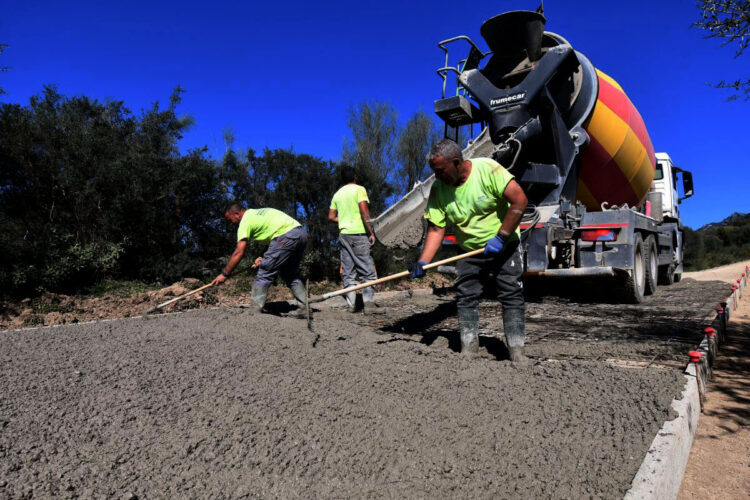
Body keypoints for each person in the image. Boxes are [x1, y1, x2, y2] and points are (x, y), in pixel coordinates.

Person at [408, 139, 529, 361]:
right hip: (469, 251)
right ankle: (469, 349)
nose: (437, 176)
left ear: (456, 162)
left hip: (505, 245)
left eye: (440, 170)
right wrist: (423, 261)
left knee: (511, 294)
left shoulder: (488, 170)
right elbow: (436, 229)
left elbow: (519, 201)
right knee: (465, 296)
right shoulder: (439, 189)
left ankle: (517, 351)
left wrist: (501, 237)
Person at [213, 203, 308, 316]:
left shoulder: (245, 221)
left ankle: (254, 311)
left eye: (230, 219)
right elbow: (273, 234)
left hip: (285, 236)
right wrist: (263, 256)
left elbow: (239, 252)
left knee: (264, 272)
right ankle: (304, 308)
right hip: (301, 234)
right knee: (289, 273)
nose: (231, 223)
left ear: (237, 214)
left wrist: (225, 274)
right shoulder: (257, 213)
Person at [328, 166, 383, 314]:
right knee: (367, 270)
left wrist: (344, 220)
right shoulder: (359, 189)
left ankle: (351, 305)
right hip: (358, 234)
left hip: (344, 235)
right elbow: (364, 211)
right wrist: (371, 232)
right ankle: (369, 306)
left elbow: (331, 217)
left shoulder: (337, 194)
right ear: (355, 177)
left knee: (348, 271)